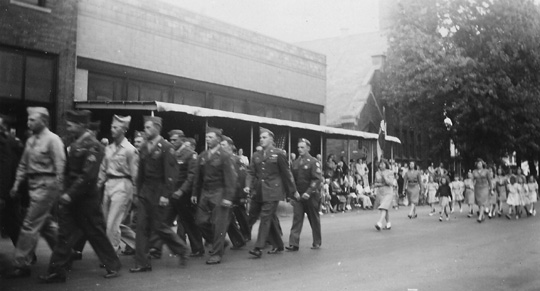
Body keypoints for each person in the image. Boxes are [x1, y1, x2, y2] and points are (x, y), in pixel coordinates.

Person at [39, 110, 121, 283]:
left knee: (95, 233)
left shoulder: (94, 145)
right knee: (64, 235)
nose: (67, 128)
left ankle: (113, 265)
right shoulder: (74, 143)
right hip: (72, 197)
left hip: (86, 199)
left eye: (70, 125)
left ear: (81, 125)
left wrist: (69, 194)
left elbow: (88, 176)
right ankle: (57, 271)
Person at [5, 108, 65, 279]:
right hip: (34, 185)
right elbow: (23, 165)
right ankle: (64, 254)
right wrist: (17, 184)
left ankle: (21, 264)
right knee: (46, 225)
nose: (28, 122)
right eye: (29, 119)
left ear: (44, 121)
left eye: (32, 120)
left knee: (29, 224)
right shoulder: (31, 141)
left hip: (47, 185)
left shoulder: (53, 140)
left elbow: (60, 165)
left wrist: (60, 189)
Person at [130, 116, 188, 273]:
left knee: (159, 226)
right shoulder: (144, 148)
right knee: (141, 226)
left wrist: (165, 195)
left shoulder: (166, 147)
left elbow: (171, 175)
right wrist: (137, 193)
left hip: (159, 192)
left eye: (148, 127)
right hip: (145, 193)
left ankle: (181, 249)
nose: (145, 130)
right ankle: (142, 263)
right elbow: (140, 175)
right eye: (145, 127)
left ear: (157, 128)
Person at [245, 127, 297, 258]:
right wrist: (247, 185)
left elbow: (287, 174)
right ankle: (278, 244)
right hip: (259, 191)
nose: (261, 140)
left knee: (265, 217)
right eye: (260, 138)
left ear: (271, 140)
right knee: (267, 217)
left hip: (274, 191)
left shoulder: (278, 154)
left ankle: (258, 247)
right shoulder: (256, 155)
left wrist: (292, 191)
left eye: (264, 137)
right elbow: (251, 172)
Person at [191, 129, 237, 265]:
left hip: (220, 192)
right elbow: (197, 178)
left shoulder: (224, 156)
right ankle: (219, 242)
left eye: (210, 137)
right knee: (200, 221)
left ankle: (217, 254)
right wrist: (194, 193)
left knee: (219, 225)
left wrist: (228, 197)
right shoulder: (203, 156)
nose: (207, 139)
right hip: (205, 193)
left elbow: (231, 178)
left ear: (218, 139)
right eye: (206, 137)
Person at [97, 115, 138, 254]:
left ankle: (111, 254)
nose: (112, 130)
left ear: (124, 130)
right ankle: (140, 245)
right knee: (110, 222)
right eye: (112, 127)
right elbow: (103, 169)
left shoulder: (130, 150)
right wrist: (97, 185)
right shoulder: (108, 149)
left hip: (123, 185)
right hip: (109, 185)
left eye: (116, 127)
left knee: (112, 223)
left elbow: (135, 174)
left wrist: (136, 192)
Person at [285, 138, 323, 251]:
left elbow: (317, 179)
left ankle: (317, 241)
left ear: (308, 148)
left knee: (314, 219)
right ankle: (293, 243)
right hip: (298, 196)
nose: (300, 149)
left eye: (302, 147)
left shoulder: (313, 162)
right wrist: (293, 194)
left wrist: (308, 192)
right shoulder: (295, 163)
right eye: (298, 147)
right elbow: (292, 180)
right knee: (297, 219)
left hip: (311, 196)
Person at [0, 115, 24, 248]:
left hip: (6, 191)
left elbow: (5, 170)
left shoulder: (5, 142)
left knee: (12, 223)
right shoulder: (10, 141)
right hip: (8, 190)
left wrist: (2, 195)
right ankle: (26, 254)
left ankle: (26, 254)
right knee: (11, 223)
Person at [374, 159, 395, 230]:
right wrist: (381, 183)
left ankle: (379, 222)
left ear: (386, 164)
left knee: (383, 207)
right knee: (385, 208)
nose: (381, 165)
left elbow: (390, 183)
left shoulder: (390, 172)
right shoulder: (377, 173)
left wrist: (385, 177)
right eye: (380, 164)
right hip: (380, 192)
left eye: (383, 164)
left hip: (388, 192)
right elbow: (375, 183)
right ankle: (388, 224)